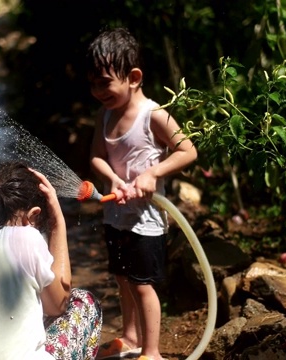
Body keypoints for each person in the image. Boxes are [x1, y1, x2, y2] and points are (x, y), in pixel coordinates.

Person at [86, 27, 198, 360]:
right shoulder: (104, 115)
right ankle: (131, 337)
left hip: (146, 222)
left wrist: (152, 173)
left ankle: (152, 352)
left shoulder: (153, 115)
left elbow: (187, 151)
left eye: (104, 82)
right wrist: (115, 181)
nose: (97, 91)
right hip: (116, 215)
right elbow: (95, 157)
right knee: (123, 279)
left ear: (133, 77)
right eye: (92, 83)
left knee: (142, 285)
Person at [0, 161, 102, 360]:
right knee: (84, 302)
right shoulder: (26, 239)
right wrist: (57, 224)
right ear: (33, 215)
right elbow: (59, 305)